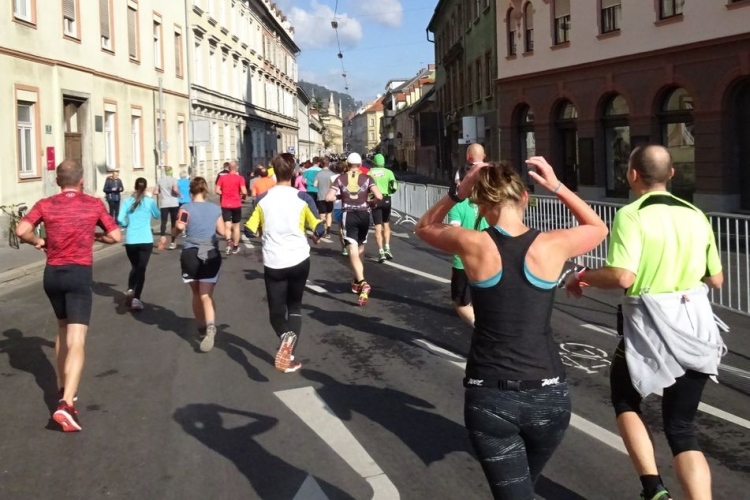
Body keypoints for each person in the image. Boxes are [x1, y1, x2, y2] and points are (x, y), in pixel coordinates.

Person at [415, 157, 608, 498]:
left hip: (490, 396)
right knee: (522, 489)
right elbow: (598, 228)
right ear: (525, 198)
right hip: (548, 393)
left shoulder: (473, 243)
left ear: (481, 204)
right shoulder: (551, 244)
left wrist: (459, 191)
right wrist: (557, 186)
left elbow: (425, 226)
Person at [563, 145, 725, 500]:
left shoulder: (631, 215)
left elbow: (623, 276)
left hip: (650, 329)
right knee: (682, 427)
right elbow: (716, 279)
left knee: (625, 399)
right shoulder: (696, 214)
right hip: (696, 329)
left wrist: (582, 276)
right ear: (671, 174)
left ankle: (654, 489)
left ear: (632, 175)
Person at [15, 160, 122, 432]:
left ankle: (66, 387)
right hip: (78, 274)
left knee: (62, 329)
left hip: (52, 275)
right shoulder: (93, 204)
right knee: (77, 338)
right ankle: (66, 405)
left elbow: (21, 230)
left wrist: (38, 241)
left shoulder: (45, 204)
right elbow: (115, 236)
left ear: (57, 181)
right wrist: (94, 236)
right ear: (81, 180)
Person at [244, 155, 325, 373]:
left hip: (274, 261)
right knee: (295, 307)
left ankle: (284, 335)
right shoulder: (303, 198)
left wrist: (262, 231)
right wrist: (315, 235)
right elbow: (319, 227)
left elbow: (248, 229)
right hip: (299, 259)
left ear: (273, 172)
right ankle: (289, 353)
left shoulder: (262, 199)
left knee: (276, 314)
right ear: (294, 173)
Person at [174, 177, 226, 353]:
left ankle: (201, 327)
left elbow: (180, 226)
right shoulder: (214, 208)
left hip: (190, 253)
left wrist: (173, 233)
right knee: (206, 295)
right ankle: (211, 325)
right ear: (205, 190)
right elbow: (222, 231)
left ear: (191, 191)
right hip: (209, 252)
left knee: (196, 293)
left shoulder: (185, 208)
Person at [326, 152, 383, 306]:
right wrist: (372, 203)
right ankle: (358, 281)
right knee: (360, 247)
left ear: (347, 164)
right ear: (360, 165)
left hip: (349, 214)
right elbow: (379, 196)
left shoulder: (340, 178)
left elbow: (328, 197)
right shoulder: (367, 178)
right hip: (364, 214)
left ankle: (363, 282)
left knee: (352, 249)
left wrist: (340, 197)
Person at [118, 177, 160, 311]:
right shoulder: (149, 202)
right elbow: (157, 215)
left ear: (135, 187)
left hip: (131, 240)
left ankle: (130, 289)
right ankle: (136, 298)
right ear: (146, 188)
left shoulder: (127, 201)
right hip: (145, 239)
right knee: (141, 269)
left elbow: (119, 219)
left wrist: (126, 224)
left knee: (134, 267)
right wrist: (151, 197)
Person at [447, 198, 489, 326]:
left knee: (461, 303)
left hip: (464, 262)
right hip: (488, 259)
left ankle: (480, 326)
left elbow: (455, 232)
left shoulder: (457, 205)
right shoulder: (489, 201)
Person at [367, 153, 398, 262]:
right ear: (383, 162)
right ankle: (387, 248)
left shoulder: (369, 173)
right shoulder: (389, 172)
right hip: (386, 199)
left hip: (375, 199)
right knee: (386, 224)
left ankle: (381, 252)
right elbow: (394, 187)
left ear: (374, 162)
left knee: (378, 226)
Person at [215, 160, 248, 255]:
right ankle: (235, 246)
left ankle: (228, 240)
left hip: (225, 204)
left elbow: (217, 190)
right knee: (236, 226)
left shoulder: (222, 178)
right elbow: (244, 191)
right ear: (236, 168)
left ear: (228, 168)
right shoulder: (240, 178)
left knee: (227, 225)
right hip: (236, 204)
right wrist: (243, 197)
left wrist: (224, 194)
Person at [155, 166, 180, 250]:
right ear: (171, 172)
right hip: (174, 203)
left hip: (164, 203)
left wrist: (160, 191)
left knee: (164, 221)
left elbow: (156, 192)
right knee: (173, 222)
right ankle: (173, 242)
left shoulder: (160, 180)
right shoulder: (174, 180)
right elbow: (175, 189)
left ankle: (162, 238)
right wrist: (179, 194)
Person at [314, 158, 336, 237]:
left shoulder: (318, 174)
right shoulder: (332, 174)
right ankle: (328, 232)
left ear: (321, 164)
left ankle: (323, 229)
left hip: (321, 196)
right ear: (329, 164)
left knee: (322, 215)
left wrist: (320, 186)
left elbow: (315, 184)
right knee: (329, 214)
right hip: (330, 196)